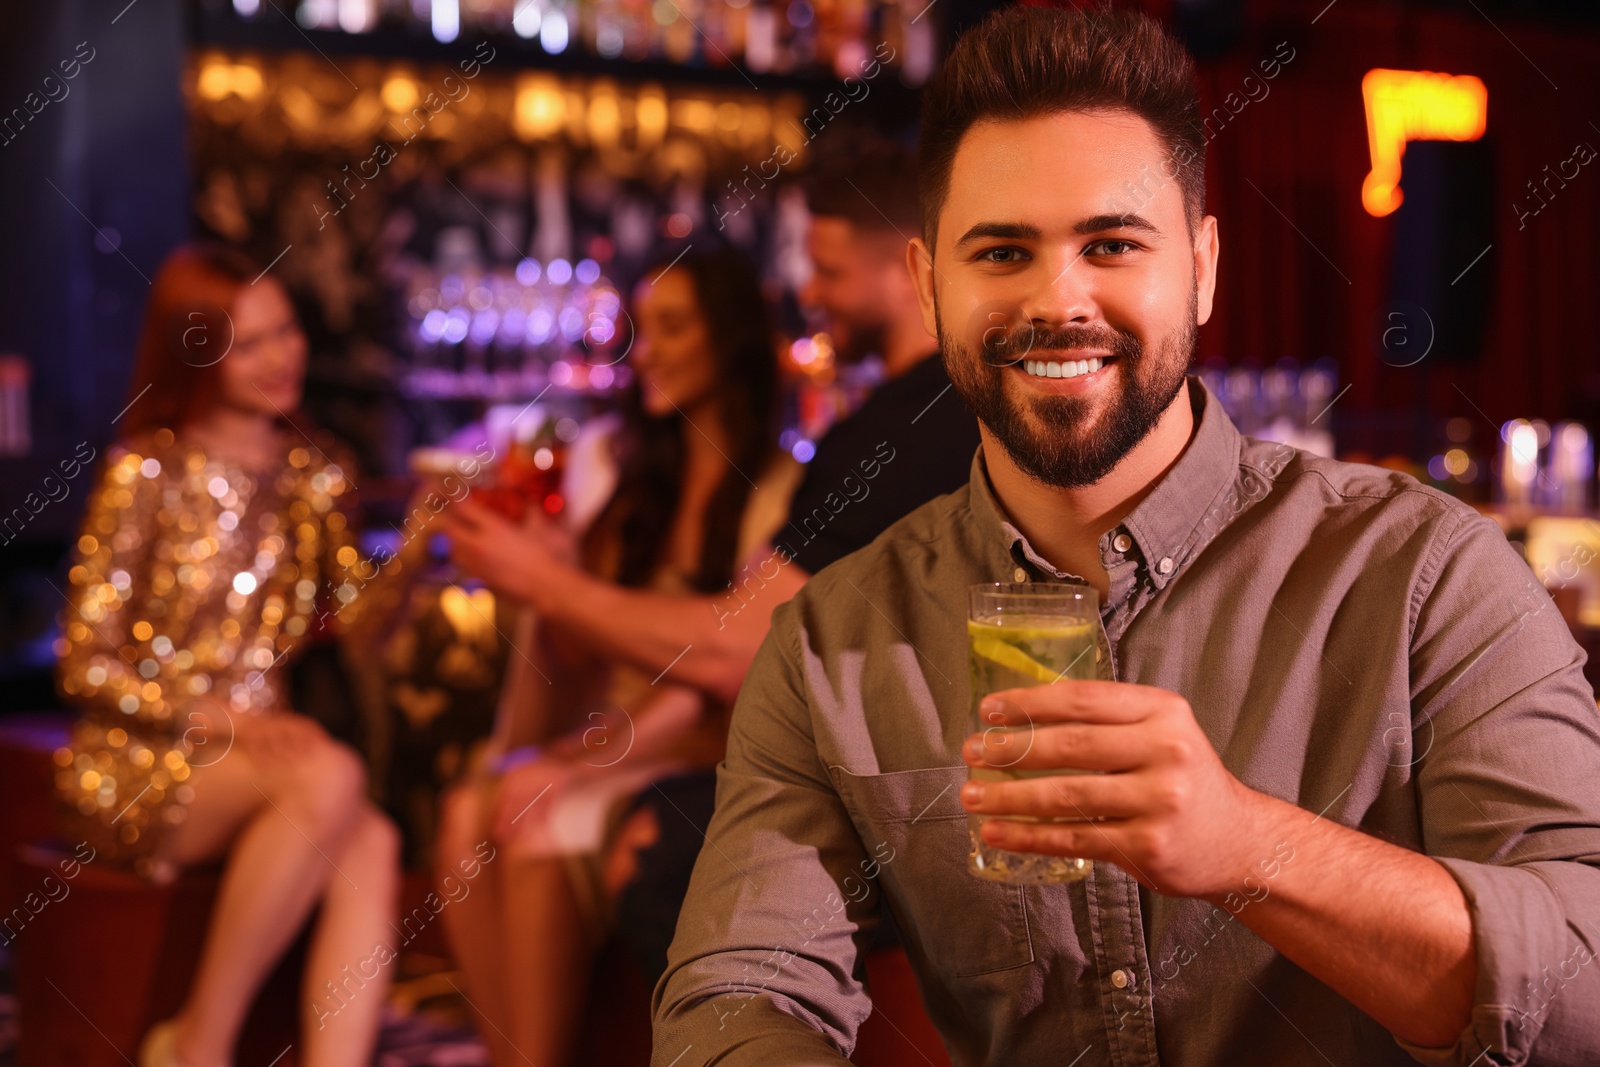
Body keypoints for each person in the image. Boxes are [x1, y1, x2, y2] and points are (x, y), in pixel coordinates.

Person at [652, 8, 1600, 1067]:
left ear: (1199, 267)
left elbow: (1583, 984)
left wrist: (1250, 844)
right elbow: (734, 991)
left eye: (1110, 244)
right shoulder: (830, 641)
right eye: (1003, 251)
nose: (1059, 299)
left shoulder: (1429, 575)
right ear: (929, 284)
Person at [437, 136, 982, 984]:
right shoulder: (630, 476)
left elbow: (734, 652)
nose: (811, 292)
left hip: (893, 804)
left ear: (909, 269)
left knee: (625, 838)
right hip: (906, 792)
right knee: (490, 806)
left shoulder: (903, 432)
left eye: (829, 270)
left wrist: (542, 584)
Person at [433, 246, 803, 1067]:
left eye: (674, 327)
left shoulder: (778, 490)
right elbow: (579, 643)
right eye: (644, 329)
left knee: (540, 810)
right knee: (468, 810)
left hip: (705, 749)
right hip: (619, 736)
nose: (649, 351)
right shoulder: (629, 477)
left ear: (730, 338)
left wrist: (588, 759)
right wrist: (538, 575)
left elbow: (719, 677)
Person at [55, 244, 404, 1067]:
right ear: (199, 350)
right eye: (250, 342)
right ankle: (199, 1043)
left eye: (286, 332)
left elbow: (360, 629)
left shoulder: (313, 473)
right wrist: (213, 715)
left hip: (263, 760)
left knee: (374, 839)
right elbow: (82, 661)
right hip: (139, 755)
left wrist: (425, 545)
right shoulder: (147, 469)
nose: (282, 357)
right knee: (332, 778)